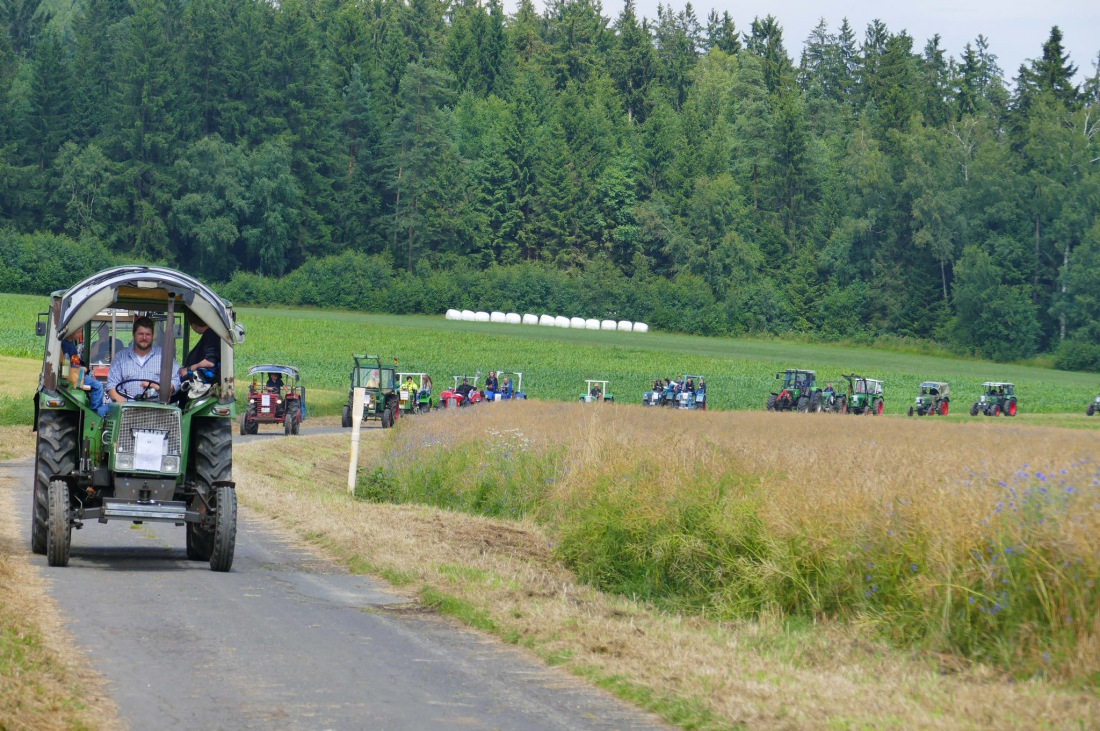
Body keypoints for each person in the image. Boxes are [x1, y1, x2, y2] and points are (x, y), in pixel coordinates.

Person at [106, 317, 181, 403]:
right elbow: (112, 385)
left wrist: (158, 387)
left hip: (158, 409)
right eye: (141, 334)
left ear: (153, 336)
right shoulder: (120, 357)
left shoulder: (165, 356)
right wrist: (123, 405)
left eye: (148, 334)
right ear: (134, 334)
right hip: (128, 409)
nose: (144, 338)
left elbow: (175, 382)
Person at [63, 331, 109, 418]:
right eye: (78, 332)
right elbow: (70, 362)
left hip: (74, 371)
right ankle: (94, 412)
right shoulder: (68, 345)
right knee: (99, 386)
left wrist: (78, 366)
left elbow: (74, 361)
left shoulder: (69, 344)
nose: (80, 334)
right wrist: (80, 368)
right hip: (74, 374)